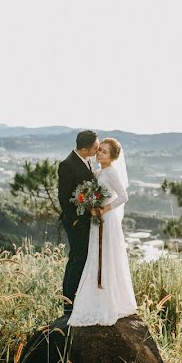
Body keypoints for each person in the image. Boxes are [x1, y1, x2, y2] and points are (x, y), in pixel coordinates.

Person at [67, 137, 138, 326]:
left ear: (113, 157)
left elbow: (124, 196)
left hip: (108, 220)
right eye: (99, 150)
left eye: (104, 152)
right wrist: (90, 206)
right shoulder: (98, 172)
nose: (99, 153)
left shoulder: (112, 172)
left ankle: (110, 300)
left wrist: (105, 209)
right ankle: (94, 299)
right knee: (95, 256)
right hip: (96, 220)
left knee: (107, 257)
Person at [58, 130, 99, 317]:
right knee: (76, 259)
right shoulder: (67, 165)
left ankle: (79, 297)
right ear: (84, 149)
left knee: (83, 258)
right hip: (75, 222)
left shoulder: (88, 160)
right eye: (95, 147)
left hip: (86, 220)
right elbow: (63, 197)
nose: (98, 150)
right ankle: (68, 302)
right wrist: (74, 219)